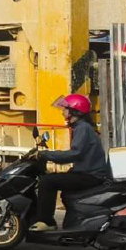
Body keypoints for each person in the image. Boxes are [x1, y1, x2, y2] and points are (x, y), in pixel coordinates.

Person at [30, 94, 108, 232]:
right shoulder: (82, 127)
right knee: (60, 184)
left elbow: (75, 153)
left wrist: (46, 154)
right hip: (87, 173)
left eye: (65, 109)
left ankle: (47, 221)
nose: (62, 112)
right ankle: (73, 223)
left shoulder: (82, 128)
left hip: (90, 175)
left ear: (74, 111)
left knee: (47, 182)